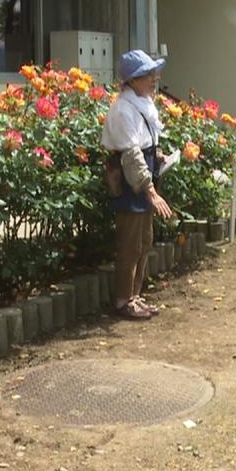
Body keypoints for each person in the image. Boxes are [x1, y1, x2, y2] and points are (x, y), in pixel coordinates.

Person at [101, 50, 174, 320]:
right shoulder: (123, 109)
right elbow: (131, 155)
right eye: (146, 75)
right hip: (132, 181)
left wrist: (159, 155)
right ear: (132, 81)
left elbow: (145, 142)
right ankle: (123, 300)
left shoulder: (142, 103)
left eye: (153, 73)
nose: (154, 79)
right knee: (130, 244)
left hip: (143, 177)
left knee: (144, 241)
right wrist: (151, 191)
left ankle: (135, 295)